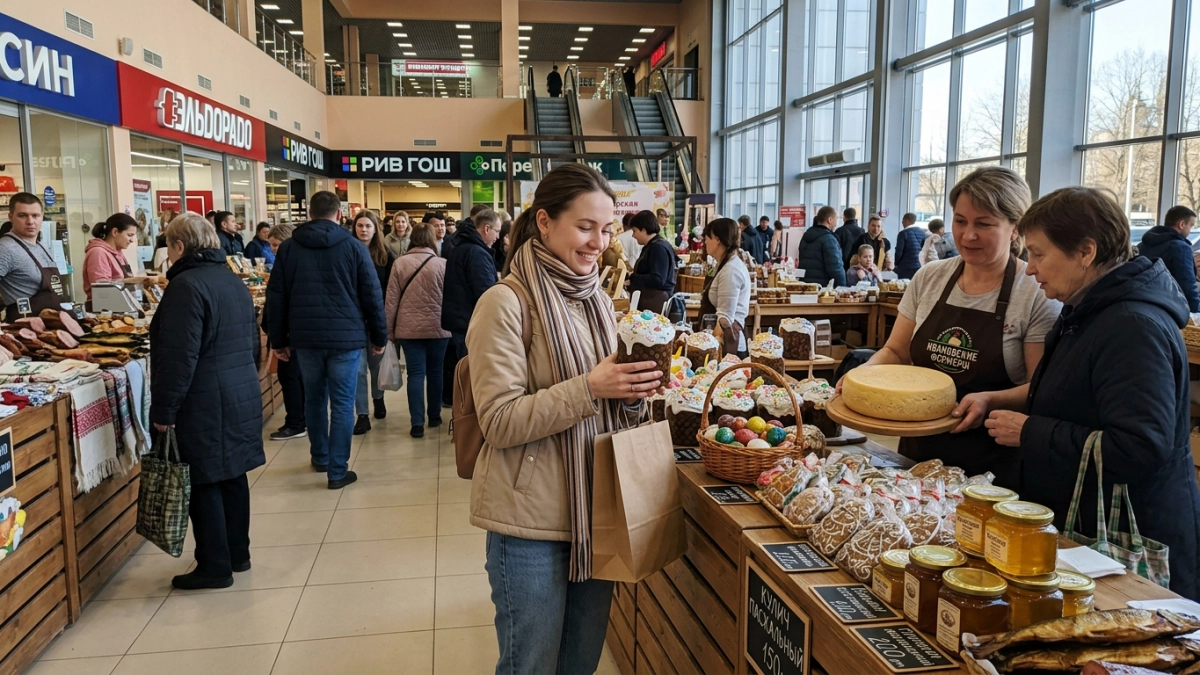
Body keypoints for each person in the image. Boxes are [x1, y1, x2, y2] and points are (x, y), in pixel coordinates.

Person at [468, 163, 661, 674]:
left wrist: (634, 391)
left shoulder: (596, 298)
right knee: (530, 665)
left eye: (606, 229)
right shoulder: (504, 303)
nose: (598, 242)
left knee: (580, 663)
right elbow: (499, 421)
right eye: (584, 227)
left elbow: (608, 398)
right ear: (545, 222)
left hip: (594, 513)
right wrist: (590, 388)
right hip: (528, 522)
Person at [986, 186, 1200, 600]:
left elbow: (1139, 447)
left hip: (1127, 547)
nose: (1029, 269)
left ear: (1086, 251)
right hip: (1085, 530)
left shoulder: (1132, 327)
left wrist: (1030, 431)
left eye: (1038, 253)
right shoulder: (1090, 309)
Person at [846, 166, 1061, 488]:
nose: (967, 235)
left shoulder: (1033, 291)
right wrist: (859, 379)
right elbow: (896, 351)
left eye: (984, 224)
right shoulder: (931, 277)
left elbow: (1038, 388)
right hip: (918, 451)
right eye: (960, 221)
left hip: (992, 463)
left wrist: (989, 399)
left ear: (1016, 228)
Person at [150, 213, 264, 590]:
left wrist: (164, 410)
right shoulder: (230, 279)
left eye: (168, 244)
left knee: (203, 480)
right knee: (232, 474)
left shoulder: (185, 287)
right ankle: (238, 553)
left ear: (179, 246)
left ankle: (214, 565)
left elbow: (178, 356)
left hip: (204, 395)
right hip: (238, 389)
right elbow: (251, 340)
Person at [266, 191, 387, 490]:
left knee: (315, 399)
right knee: (343, 403)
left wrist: (278, 340)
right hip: (346, 338)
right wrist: (379, 336)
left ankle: (319, 456)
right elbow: (371, 295)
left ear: (308, 213)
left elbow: (277, 297)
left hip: (305, 337)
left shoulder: (290, 249)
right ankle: (337, 469)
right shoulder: (353, 248)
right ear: (338, 214)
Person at [385, 223, 450, 438]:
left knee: (415, 374)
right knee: (436, 372)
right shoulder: (443, 264)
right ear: (432, 239)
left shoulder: (400, 264)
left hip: (408, 329)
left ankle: (417, 423)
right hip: (439, 327)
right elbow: (450, 298)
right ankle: (434, 415)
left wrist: (389, 331)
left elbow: (391, 300)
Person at [443, 208, 500, 396]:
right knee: (474, 378)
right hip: (471, 323)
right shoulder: (477, 253)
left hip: (461, 321)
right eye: (497, 231)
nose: (498, 237)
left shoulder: (461, 247)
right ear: (486, 228)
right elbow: (486, 294)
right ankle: (471, 420)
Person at [351, 210, 396, 432]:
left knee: (377, 367)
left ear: (375, 228)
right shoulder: (347, 252)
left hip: (378, 319)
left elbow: (391, 289)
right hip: (354, 322)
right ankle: (362, 413)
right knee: (358, 371)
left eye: (368, 226)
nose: (364, 230)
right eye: (360, 226)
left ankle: (378, 398)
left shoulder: (385, 256)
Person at [264, 223, 306, 441]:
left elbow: (278, 301)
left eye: (276, 244)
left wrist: (277, 334)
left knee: (290, 376)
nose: (272, 249)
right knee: (297, 376)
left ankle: (296, 422)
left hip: (290, 331)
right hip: (297, 330)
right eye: (270, 245)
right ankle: (302, 418)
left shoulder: (287, 267)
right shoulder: (296, 264)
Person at [0, 193, 70, 320]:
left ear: (42, 217)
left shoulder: (40, 246)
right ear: (10, 217)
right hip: (25, 330)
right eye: (22, 215)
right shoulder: (5, 248)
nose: (30, 221)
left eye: (35, 216)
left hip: (53, 326)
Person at [701, 217, 752, 355]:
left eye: (707, 237)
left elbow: (724, 319)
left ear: (718, 239)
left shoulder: (731, 270)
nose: (705, 242)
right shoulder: (724, 265)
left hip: (728, 346)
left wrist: (712, 350)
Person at [1137, 205, 1200, 312]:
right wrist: (1196, 312)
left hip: (1144, 306)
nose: (1190, 230)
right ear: (1182, 224)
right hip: (1172, 308)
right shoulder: (1180, 248)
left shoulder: (1143, 245)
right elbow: (1187, 285)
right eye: (1191, 225)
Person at [627, 209, 677, 312]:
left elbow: (657, 279)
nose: (633, 235)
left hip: (655, 303)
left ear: (644, 230)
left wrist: (633, 277)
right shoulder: (651, 245)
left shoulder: (658, 247)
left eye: (634, 231)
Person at [83, 214, 136, 301]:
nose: (132, 240)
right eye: (129, 235)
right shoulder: (98, 253)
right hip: (105, 309)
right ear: (115, 232)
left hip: (121, 305)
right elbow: (102, 289)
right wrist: (138, 280)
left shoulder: (118, 252)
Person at [797, 206, 847, 287]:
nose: (836, 222)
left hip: (805, 286)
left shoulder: (806, 236)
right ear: (830, 220)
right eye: (836, 219)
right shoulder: (829, 239)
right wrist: (842, 288)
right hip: (823, 289)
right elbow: (836, 268)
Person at [894, 212, 927, 279]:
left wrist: (896, 263)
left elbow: (899, 252)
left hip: (905, 267)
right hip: (918, 266)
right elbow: (924, 249)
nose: (902, 223)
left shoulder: (903, 233)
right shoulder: (922, 232)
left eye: (903, 221)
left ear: (906, 220)